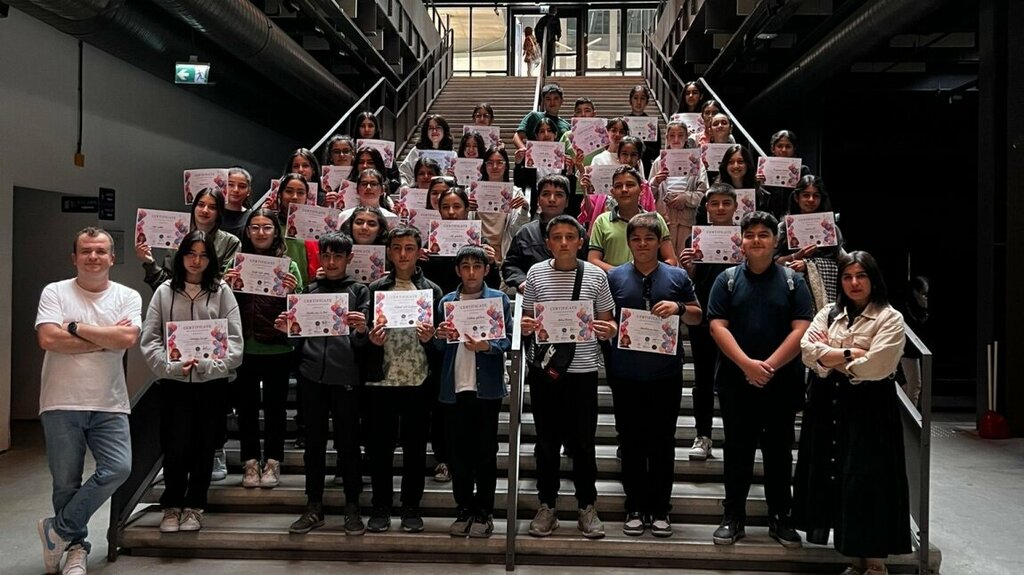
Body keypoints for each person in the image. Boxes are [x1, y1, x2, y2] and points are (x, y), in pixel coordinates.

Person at [794, 251, 911, 575]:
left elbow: (877, 366)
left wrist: (830, 355)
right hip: (828, 404)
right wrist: (851, 352)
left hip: (871, 409)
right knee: (839, 477)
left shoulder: (890, 318)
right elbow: (807, 351)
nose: (854, 283)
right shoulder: (829, 312)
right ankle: (853, 558)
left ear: (874, 279)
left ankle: (874, 563)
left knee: (869, 480)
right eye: (847, 277)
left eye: (861, 276)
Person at [35, 227, 142, 575]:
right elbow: (48, 339)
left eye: (100, 251)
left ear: (112, 257)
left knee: (118, 468)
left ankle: (58, 530)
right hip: (60, 401)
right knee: (66, 482)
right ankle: (75, 548)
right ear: (75, 257)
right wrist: (105, 339)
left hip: (110, 403)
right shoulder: (55, 292)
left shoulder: (127, 297)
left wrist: (75, 327)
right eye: (86, 251)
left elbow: (127, 338)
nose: (93, 257)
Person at [706, 211, 813, 548]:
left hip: (782, 382)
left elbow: (802, 327)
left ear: (776, 240)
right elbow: (716, 326)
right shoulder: (726, 280)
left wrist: (768, 367)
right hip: (736, 382)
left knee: (779, 452)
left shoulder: (794, 281)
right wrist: (746, 365)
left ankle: (781, 517)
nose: (756, 240)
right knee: (737, 450)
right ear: (741, 240)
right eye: (749, 234)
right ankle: (733, 516)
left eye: (763, 234)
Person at [520, 214, 618, 540]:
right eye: (557, 237)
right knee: (546, 442)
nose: (563, 242)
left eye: (570, 237)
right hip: (546, 371)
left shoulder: (595, 275)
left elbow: (608, 320)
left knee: (584, 443)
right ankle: (546, 505)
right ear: (548, 243)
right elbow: (528, 317)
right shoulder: (536, 273)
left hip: (583, 371)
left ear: (580, 241)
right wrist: (526, 325)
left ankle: (586, 506)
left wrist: (608, 329)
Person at [139, 230, 243, 534]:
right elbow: (150, 338)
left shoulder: (222, 291)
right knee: (175, 445)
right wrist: (169, 367)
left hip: (213, 384)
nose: (196, 261)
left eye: (203, 255)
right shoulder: (164, 292)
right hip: (175, 383)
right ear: (181, 256)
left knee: (204, 445)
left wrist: (212, 365)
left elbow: (235, 343)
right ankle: (171, 505)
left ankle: (196, 505)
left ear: (211, 259)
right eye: (190, 254)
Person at [607, 213, 702, 537]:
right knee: (630, 440)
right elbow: (605, 318)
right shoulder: (615, 277)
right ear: (628, 242)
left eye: (649, 238)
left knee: (662, 442)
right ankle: (634, 506)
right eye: (636, 239)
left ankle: (661, 508)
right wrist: (610, 328)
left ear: (659, 241)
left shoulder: (676, 276)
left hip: (665, 374)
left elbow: (697, 315)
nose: (643, 244)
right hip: (625, 373)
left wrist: (678, 308)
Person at [273, 232, 371, 536]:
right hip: (311, 376)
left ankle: (352, 506)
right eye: (326, 256)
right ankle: (313, 505)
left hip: (347, 378)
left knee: (348, 443)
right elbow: (298, 338)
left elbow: (365, 342)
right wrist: (287, 331)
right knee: (313, 444)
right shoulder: (309, 291)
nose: (331, 262)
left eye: (337, 256)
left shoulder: (360, 291)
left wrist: (362, 330)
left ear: (348, 258)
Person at [363, 226, 443, 533]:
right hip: (381, 381)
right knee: (380, 449)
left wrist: (430, 340)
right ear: (389, 252)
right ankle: (380, 506)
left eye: (409, 248)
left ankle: (411, 506)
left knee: (415, 450)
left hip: (418, 380)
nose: (403, 254)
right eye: (396, 248)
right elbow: (362, 338)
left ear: (419, 252)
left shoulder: (431, 290)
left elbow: (440, 343)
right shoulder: (375, 289)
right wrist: (372, 341)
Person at [433, 245, 513, 538]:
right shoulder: (447, 301)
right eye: (465, 267)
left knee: (485, 453)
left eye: (476, 267)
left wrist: (487, 346)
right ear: (457, 270)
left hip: (486, 389)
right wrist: (439, 336)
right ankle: (464, 508)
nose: (471, 273)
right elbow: (439, 346)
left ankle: (484, 511)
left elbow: (507, 340)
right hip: (454, 388)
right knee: (458, 454)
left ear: (486, 270)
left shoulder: (498, 299)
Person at [224, 209, 302, 490]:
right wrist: (226, 286)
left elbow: (299, 310)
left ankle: (272, 461)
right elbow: (221, 304)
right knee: (245, 409)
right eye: (255, 227)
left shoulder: (289, 266)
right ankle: (249, 461)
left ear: (275, 231)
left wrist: (293, 291)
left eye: (267, 227)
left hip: (278, 349)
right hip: (244, 348)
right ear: (247, 232)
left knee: (275, 410)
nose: (260, 232)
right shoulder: (235, 263)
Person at [678, 183, 739, 461]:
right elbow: (691, 281)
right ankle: (703, 435)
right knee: (703, 379)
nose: (720, 208)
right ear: (707, 207)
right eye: (715, 203)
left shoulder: (744, 239)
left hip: (738, 319)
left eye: (726, 203)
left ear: (736, 207)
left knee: (735, 378)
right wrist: (689, 268)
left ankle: (735, 434)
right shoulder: (695, 240)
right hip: (703, 317)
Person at [136, 187, 241, 290]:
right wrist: (150, 262)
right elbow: (165, 283)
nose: (205, 210)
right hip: (176, 298)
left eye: (212, 207)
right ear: (194, 207)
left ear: (219, 212)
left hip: (213, 299)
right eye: (201, 205)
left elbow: (223, 283)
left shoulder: (230, 242)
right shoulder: (178, 238)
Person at [502, 174, 588, 294]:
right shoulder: (526, 232)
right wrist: (521, 281)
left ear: (567, 201)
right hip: (535, 295)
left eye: (559, 195)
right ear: (538, 200)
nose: (552, 199)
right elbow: (510, 265)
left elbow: (588, 264)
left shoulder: (578, 232)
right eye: (546, 194)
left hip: (572, 294)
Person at [774, 175, 845, 312]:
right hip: (788, 291)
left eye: (816, 196)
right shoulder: (783, 227)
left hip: (825, 297)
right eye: (806, 195)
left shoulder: (830, 228)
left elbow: (841, 262)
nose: (811, 200)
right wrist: (796, 256)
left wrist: (808, 265)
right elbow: (773, 262)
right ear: (797, 197)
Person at [588, 166, 676, 272]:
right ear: (612, 192)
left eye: (630, 185)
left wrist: (653, 274)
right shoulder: (602, 221)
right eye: (618, 186)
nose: (624, 190)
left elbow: (671, 259)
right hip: (612, 280)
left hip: (649, 280)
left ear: (642, 190)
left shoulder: (655, 219)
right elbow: (593, 259)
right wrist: (622, 275)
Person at [651, 120, 708, 259]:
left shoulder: (696, 162)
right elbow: (648, 194)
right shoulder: (658, 162)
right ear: (667, 137)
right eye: (672, 135)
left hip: (687, 218)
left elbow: (704, 193)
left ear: (686, 137)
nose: (676, 139)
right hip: (665, 217)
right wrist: (656, 182)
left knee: (685, 257)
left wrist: (686, 198)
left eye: (681, 135)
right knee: (666, 258)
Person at [758, 130, 811, 218]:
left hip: (795, 217)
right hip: (769, 218)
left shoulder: (803, 170)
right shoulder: (763, 170)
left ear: (794, 148)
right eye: (779, 146)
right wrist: (757, 184)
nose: (784, 150)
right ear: (773, 149)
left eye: (788, 146)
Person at [513, 83, 571, 154]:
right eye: (548, 99)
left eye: (556, 98)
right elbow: (517, 137)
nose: (552, 102)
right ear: (543, 101)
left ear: (561, 101)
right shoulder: (534, 116)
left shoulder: (566, 125)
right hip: (534, 159)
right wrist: (525, 151)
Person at [399, 114, 454, 187]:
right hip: (418, 191)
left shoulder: (452, 154)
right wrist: (404, 186)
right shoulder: (416, 151)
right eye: (430, 128)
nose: (434, 131)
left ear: (444, 130)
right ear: (426, 131)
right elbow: (404, 172)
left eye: (438, 127)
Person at [628, 85, 661, 176]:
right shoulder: (624, 123)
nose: (639, 102)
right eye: (635, 98)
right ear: (630, 100)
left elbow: (657, 151)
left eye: (642, 98)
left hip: (646, 166)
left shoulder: (652, 124)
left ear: (646, 102)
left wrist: (644, 147)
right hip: (627, 164)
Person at [223, 167, 252, 238]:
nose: (236, 190)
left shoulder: (252, 217)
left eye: (242, 186)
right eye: (230, 185)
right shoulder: (212, 212)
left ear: (248, 191)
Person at [534, 7, 561, 73]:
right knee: (550, 56)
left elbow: (536, 29)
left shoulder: (542, 19)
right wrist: (558, 37)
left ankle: (544, 71)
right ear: (555, 12)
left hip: (542, 41)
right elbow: (558, 30)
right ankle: (549, 72)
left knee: (544, 56)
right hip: (551, 40)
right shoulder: (556, 19)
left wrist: (538, 39)